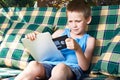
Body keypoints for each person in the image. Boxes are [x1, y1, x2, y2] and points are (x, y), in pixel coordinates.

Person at [15, 0, 95, 80]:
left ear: (88, 20)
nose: (74, 25)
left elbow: (84, 67)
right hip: (49, 64)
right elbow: (45, 46)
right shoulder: (60, 33)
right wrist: (36, 38)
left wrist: (77, 49)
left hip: (70, 68)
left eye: (78, 21)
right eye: (70, 21)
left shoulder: (89, 40)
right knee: (33, 65)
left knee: (60, 67)